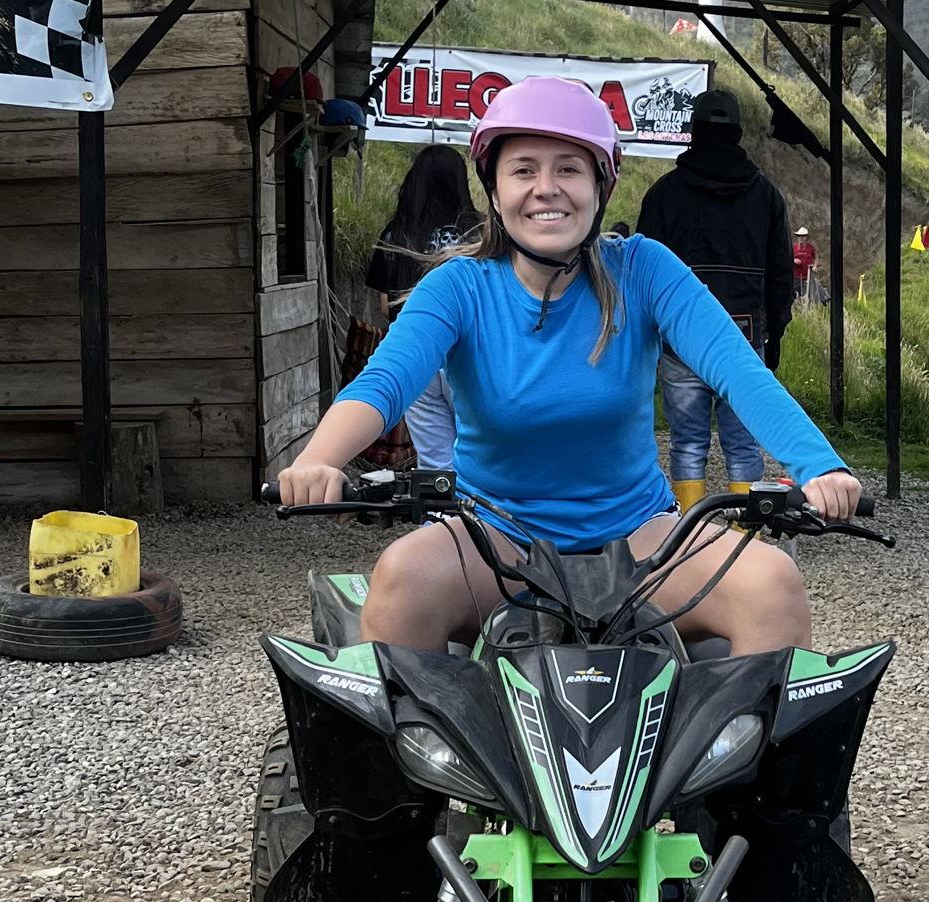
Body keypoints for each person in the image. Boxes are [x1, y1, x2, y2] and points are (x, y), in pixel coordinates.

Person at [277, 77, 861, 657]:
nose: (546, 189)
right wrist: (317, 461)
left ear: (601, 184)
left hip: (638, 535)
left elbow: (738, 370)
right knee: (401, 581)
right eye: (524, 169)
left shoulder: (644, 270)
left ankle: (740, 752)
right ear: (495, 187)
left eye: (569, 169)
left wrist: (818, 466)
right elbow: (384, 384)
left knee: (772, 585)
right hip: (495, 537)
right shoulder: (458, 288)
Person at [635, 86, 795, 507]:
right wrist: (775, 332)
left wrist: (645, 339)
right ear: (739, 132)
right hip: (744, 336)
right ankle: (749, 534)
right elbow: (781, 271)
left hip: (679, 340)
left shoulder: (664, 193)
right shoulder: (765, 195)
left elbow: (642, 273)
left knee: (687, 442)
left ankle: (689, 532)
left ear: (693, 131)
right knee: (743, 444)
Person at [363, 143, 481, 469]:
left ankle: (443, 517)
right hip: (476, 356)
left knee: (435, 462)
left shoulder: (396, 234)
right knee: (485, 455)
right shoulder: (483, 233)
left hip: (417, 359)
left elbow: (384, 303)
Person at [791, 226, 818, 302]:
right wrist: (793, 260)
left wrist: (815, 266)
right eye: (799, 236)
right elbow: (787, 258)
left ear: (806, 237)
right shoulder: (793, 247)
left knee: (809, 294)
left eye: (803, 236)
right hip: (796, 276)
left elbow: (816, 257)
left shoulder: (810, 248)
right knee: (795, 294)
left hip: (807, 277)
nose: (801, 238)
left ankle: (808, 309)